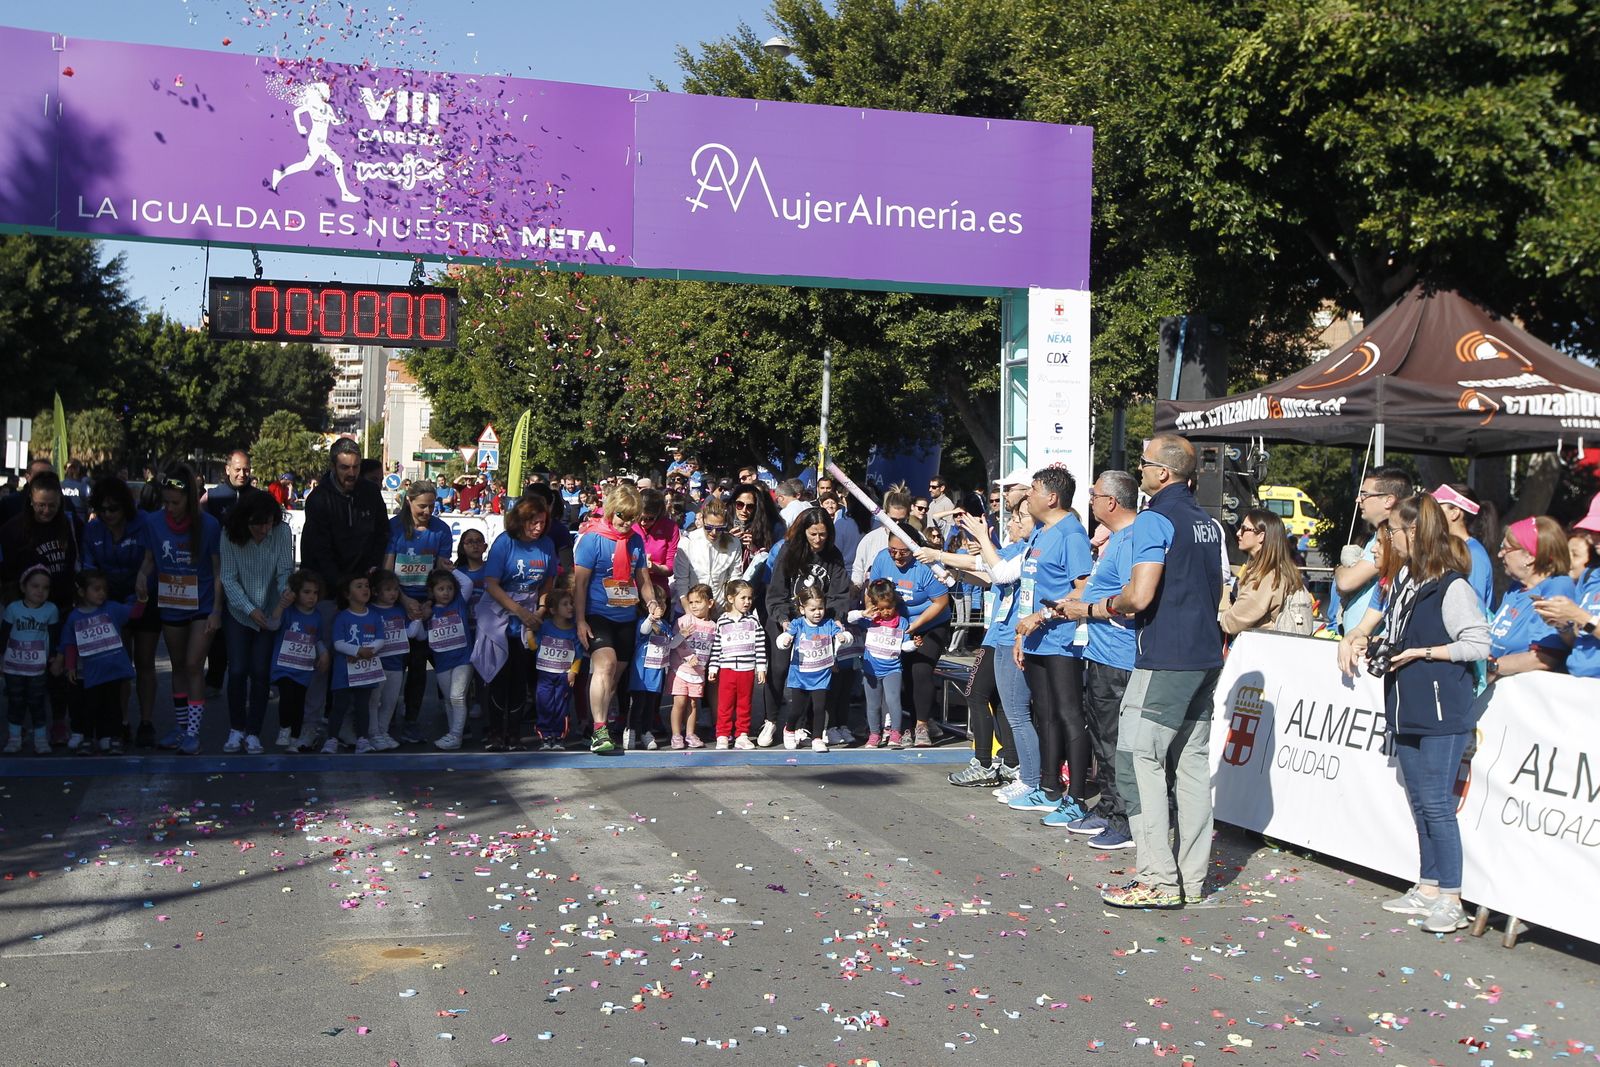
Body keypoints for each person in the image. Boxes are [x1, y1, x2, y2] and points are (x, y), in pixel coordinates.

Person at [1337, 495, 1492, 933]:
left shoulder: (1451, 586)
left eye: (1396, 531)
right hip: (1406, 704)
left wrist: (1423, 652)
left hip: (1444, 709)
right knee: (1420, 799)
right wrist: (1366, 640)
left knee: (1438, 803)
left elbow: (1478, 643)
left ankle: (1451, 896)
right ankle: (1427, 886)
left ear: (1414, 533)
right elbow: (1389, 625)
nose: (1389, 539)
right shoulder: (1403, 579)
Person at [1101, 435, 1225, 909]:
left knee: (1137, 758)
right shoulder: (1208, 523)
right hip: (1205, 654)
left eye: (1145, 464)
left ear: (1163, 474)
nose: (1142, 469)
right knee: (1191, 765)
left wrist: (1100, 606)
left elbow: (1140, 595)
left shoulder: (1155, 519)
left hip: (1167, 657)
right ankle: (1191, 879)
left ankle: (1156, 877)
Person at [1055, 470, 1140, 850]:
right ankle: (1107, 807)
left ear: (1111, 502)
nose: (1088, 500)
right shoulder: (1117, 539)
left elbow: (1130, 603)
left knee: (1115, 741)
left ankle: (1124, 819)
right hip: (1101, 652)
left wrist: (1085, 610)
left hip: (1120, 658)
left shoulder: (1134, 540)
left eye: (1092, 494)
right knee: (1103, 739)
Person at [1010, 467, 1094, 818]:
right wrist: (1021, 632)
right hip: (1035, 640)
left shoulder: (1071, 534)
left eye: (1033, 489)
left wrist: (1042, 617)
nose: (1028, 495)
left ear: (1052, 497)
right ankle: (1048, 788)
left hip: (1061, 639)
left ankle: (1075, 798)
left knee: (1068, 714)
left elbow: (1083, 588)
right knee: (1044, 713)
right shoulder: (1041, 532)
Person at [300, 438, 391, 723]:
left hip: (361, 587)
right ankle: (312, 723)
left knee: (360, 659)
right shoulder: (318, 499)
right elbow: (319, 549)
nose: (351, 473)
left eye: (355, 467)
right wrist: (343, 586)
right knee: (324, 659)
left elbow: (381, 533)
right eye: (344, 467)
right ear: (332, 466)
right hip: (329, 590)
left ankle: (355, 723)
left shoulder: (370, 492)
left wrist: (371, 571)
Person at [134, 465, 223, 755]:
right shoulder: (153, 523)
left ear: (190, 499)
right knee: (178, 667)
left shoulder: (208, 525)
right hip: (171, 603)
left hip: (202, 604)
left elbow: (217, 569)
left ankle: (194, 733)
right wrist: (141, 577)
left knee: (194, 664)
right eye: (166, 502)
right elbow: (149, 559)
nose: (170, 508)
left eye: (176, 502)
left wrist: (216, 611)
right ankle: (182, 727)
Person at [572, 484, 664, 754]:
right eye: (621, 516)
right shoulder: (592, 539)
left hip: (625, 615)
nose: (626, 523)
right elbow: (579, 584)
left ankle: (592, 725)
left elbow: (643, 579)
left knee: (612, 677)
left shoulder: (635, 540)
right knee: (605, 664)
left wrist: (652, 602)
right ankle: (600, 731)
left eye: (632, 518)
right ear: (611, 512)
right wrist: (580, 620)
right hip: (597, 613)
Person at [1, 469, 82, 745]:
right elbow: (6, 572)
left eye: (51, 505)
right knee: (23, 673)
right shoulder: (14, 529)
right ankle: (19, 725)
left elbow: (81, 561)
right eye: (40, 505)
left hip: (61, 607)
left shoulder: (69, 524)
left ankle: (58, 722)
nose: (45, 510)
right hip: (26, 609)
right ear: (30, 502)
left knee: (57, 668)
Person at [472, 497, 558, 749]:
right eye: (533, 522)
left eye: (542, 522)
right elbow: (491, 583)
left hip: (529, 615)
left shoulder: (547, 545)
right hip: (500, 613)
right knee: (498, 675)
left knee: (520, 677)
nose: (538, 528)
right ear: (520, 521)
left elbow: (548, 581)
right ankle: (496, 731)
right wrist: (518, 611)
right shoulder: (505, 543)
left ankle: (514, 733)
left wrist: (541, 610)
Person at [762, 507, 852, 745]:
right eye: (813, 534)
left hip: (819, 621)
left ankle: (805, 725)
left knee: (815, 671)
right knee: (780, 669)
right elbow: (776, 592)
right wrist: (783, 620)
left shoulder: (834, 555)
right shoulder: (788, 551)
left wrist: (836, 618)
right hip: (788, 619)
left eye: (822, 534)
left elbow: (840, 593)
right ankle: (771, 720)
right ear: (804, 532)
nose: (818, 539)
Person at [83, 477, 159, 745]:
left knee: (146, 663)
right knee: (120, 664)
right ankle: (122, 720)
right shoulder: (93, 530)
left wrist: (139, 595)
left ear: (125, 507)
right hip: (111, 604)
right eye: (102, 509)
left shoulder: (145, 523)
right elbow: (88, 568)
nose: (108, 514)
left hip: (144, 599)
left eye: (113, 509)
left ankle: (146, 722)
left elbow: (154, 561)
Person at [218, 490, 294, 754]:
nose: (263, 529)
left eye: (268, 523)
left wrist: (286, 594)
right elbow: (228, 578)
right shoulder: (229, 534)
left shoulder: (281, 532)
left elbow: (285, 570)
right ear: (244, 521)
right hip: (239, 612)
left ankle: (254, 732)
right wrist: (249, 609)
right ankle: (236, 728)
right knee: (237, 670)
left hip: (270, 610)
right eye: (257, 524)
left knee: (261, 672)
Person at [384, 480, 456, 743]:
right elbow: (387, 570)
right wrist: (402, 600)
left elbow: (439, 572)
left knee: (417, 666)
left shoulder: (441, 530)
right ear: (408, 502)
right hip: (395, 605)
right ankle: (386, 717)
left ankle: (411, 719)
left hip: (425, 608)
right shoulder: (393, 528)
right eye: (422, 506)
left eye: (431, 506)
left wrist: (428, 603)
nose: (427, 512)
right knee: (393, 666)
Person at [869, 528, 953, 748]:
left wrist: (915, 626)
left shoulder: (925, 565)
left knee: (920, 668)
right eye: (892, 551)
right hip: (897, 624)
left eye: (903, 552)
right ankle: (906, 722)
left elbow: (941, 602)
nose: (897, 557)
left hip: (930, 622)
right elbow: (872, 593)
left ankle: (922, 724)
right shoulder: (881, 559)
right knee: (900, 671)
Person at [60, 569, 140, 754]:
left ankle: (114, 737)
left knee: (113, 706)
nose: (102, 593)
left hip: (112, 670)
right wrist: (70, 666)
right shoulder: (75, 617)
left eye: (104, 589)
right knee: (90, 706)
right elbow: (70, 643)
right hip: (92, 673)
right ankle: (89, 738)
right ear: (82, 592)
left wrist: (142, 598)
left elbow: (134, 613)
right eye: (96, 589)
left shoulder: (112, 608)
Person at [1487, 516, 1575, 680]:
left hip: (1525, 698)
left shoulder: (1556, 588)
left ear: (1529, 556)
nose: (1500, 554)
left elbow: (1544, 658)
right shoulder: (1516, 588)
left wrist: (1492, 667)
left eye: (1506, 548)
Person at [1334, 466, 1410, 634]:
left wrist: (1339, 569)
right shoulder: (1377, 538)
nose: (1358, 500)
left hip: (1375, 646)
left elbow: (1346, 582)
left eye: (1365, 494)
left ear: (1389, 500)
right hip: (1360, 642)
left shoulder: (1389, 538)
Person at [775, 588, 852, 751]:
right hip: (800, 676)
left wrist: (844, 638)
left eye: (821, 608)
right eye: (813, 609)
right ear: (802, 609)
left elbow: (845, 637)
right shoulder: (798, 624)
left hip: (821, 675)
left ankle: (817, 738)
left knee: (819, 708)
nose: (817, 613)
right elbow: (783, 638)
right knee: (796, 709)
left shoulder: (829, 624)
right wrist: (786, 639)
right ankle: (789, 729)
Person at [1534, 495, 1600, 677]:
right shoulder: (1591, 576)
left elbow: (1587, 621)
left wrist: (1579, 615)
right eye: (1592, 530)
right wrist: (1562, 625)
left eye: (1599, 530)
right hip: (1576, 687)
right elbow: (1579, 640)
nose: (1594, 537)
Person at [848, 579, 916, 748]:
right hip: (871, 670)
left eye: (889, 607)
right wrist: (863, 613)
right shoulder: (872, 619)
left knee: (893, 701)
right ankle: (874, 734)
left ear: (895, 605)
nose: (885, 612)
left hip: (893, 669)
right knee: (873, 704)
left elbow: (904, 646)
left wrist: (914, 644)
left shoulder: (902, 622)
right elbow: (849, 618)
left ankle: (895, 732)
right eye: (881, 608)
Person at [1219, 508, 1309, 635]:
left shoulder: (1266, 576)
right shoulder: (1278, 569)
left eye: (1244, 529)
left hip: (1260, 647)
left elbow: (1232, 623)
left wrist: (1223, 616)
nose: (1239, 533)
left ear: (1261, 536)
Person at [2, 566, 63, 754]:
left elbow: (54, 637)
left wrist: (54, 659)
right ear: (23, 587)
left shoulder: (51, 610)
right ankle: (14, 738)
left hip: (38, 667)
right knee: (16, 702)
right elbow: (3, 635)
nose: (40, 591)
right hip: (14, 666)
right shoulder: (13, 608)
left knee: (37, 702)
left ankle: (41, 739)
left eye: (45, 588)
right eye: (35, 586)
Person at [325, 573, 383, 753]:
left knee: (362, 706)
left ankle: (363, 739)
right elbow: (338, 643)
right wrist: (357, 651)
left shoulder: (374, 616)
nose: (364, 589)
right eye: (359, 586)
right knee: (340, 705)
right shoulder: (342, 617)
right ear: (347, 594)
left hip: (365, 671)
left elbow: (381, 639)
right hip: (344, 671)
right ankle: (332, 739)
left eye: (366, 585)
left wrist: (367, 651)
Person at [272, 571, 328, 752]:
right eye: (306, 592)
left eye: (315, 593)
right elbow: (272, 625)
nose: (312, 597)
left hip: (304, 668)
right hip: (285, 666)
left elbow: (317, 638)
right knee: (287, 696)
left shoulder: (317, 616)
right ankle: (284, 728)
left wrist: (324, 654)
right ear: (296, 592)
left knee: (299, 702)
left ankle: (295, 738)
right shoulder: (288, 612)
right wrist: (281, 605)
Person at [708, 579, 766, 751]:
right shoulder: (722, 621)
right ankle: (723, 735)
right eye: (743, 598)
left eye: (750, 598)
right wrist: (713, 667)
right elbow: (717, 646)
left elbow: (760, 646)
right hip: (727, 669)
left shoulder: (754, 622)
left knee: (744, 704)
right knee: (725, 704)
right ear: (731, 598)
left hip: (747, 670)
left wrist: (761, 667)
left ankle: (742, 734)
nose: (747, 602)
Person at [421, 568, 474, 750]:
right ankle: (453, 733)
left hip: (463, 659)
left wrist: (450, 568)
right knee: (449, 700)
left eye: (450, 588)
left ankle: (455, 735)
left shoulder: (459, 602)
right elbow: (420, 634)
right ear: (432, 591)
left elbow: (467, 583)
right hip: (442, 662)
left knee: (457, 697)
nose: (446, 592)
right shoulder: (429, 611)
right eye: (441, 589)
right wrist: (421, 615)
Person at [1429, 484, 1497, 613]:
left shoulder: (1474, 554)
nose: (1431, 514)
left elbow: (1474, 609)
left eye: (1436, 508)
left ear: (1455, 513)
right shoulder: (1444, 549)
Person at [668, 584, 719, 749]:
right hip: (681, 670)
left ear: (710, 603)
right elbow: (673, 643)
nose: (694, 605)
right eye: (691, 602)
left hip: (699, 672)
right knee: (680, 702)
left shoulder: (714, 626)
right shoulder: (684, 620)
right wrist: (688, 656)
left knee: (693, 704)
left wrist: (712, 668)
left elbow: (714, 649)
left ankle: (690, 734)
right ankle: (676, 735)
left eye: (698, 602)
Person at [532, 586, 583, 751]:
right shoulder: (546, 626)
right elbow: (534, 645)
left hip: (563, 676)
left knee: (561, 706)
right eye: (565, 604)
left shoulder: (574, 631)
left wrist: (573, 672)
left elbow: (578, 654)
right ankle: (545, 736)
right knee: (544, 703)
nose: (570, 607)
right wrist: (527, 631)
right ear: (553, 610)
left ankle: (559, 736)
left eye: (571, 603)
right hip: (545, 676)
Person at [673, 498, 743, 613]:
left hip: (719, 608)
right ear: (702, 519)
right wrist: (689, 612)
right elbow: (681, 580)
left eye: (720, 528)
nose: (714, 533)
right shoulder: (688, 542)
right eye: (709, 527)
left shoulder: (733, 543)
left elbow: (734, 578)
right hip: (690, 606)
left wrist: (731, 609)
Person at [850, 487, 913, 591]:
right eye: (893, 520)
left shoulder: (916, 538)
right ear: (884, 514)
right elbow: (858, 569)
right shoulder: (870, 539)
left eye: (901, 520)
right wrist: (856, 588)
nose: (896, 525)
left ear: (908, 517)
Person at [635, 488, 682, 609]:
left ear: (658, 514)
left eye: (649, 519)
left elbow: (670, 567)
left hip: (659, 593)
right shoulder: (630, 524)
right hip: (631, 592)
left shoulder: (670, 527)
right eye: (640, 518)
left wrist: (653, 566)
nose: (643, 523)